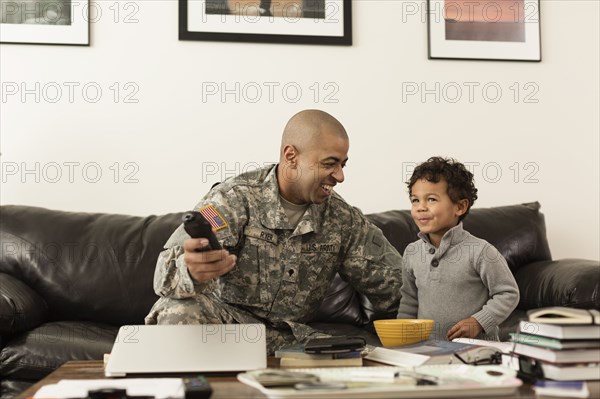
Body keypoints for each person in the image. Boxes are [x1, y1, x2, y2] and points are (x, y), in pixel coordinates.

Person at [145, 109, 402, 353]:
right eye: (329, 164)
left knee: (354, 352)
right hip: (228, 330)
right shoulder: (234, 200)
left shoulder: (343, 219)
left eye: (343, 164)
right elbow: (164, 276)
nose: (340, 176)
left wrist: (440, 313)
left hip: (293, 341)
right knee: (177, 310)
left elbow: (399, 286)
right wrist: (191, 271)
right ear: (291, 156)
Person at [397, 156, 519, 341]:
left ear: (460, 207)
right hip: (427, 352)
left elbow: (508, 293)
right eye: (415, 200)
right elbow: (409, 302)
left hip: (476, 352)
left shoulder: (481, 251)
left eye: (431, 199)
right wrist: (402, 341)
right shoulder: (412, 252)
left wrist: (478, 322)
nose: (420, 207)